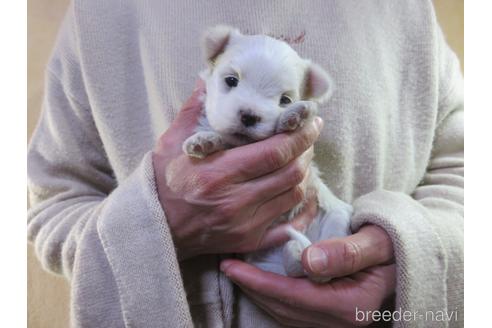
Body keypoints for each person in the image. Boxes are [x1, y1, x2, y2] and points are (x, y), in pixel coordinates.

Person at [27, 1, 463, 327]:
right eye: (231, 81)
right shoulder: (102, 13)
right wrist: (152, 224)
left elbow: (468, 170)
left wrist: (410, 267)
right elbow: (53, 202)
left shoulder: (405, 10)